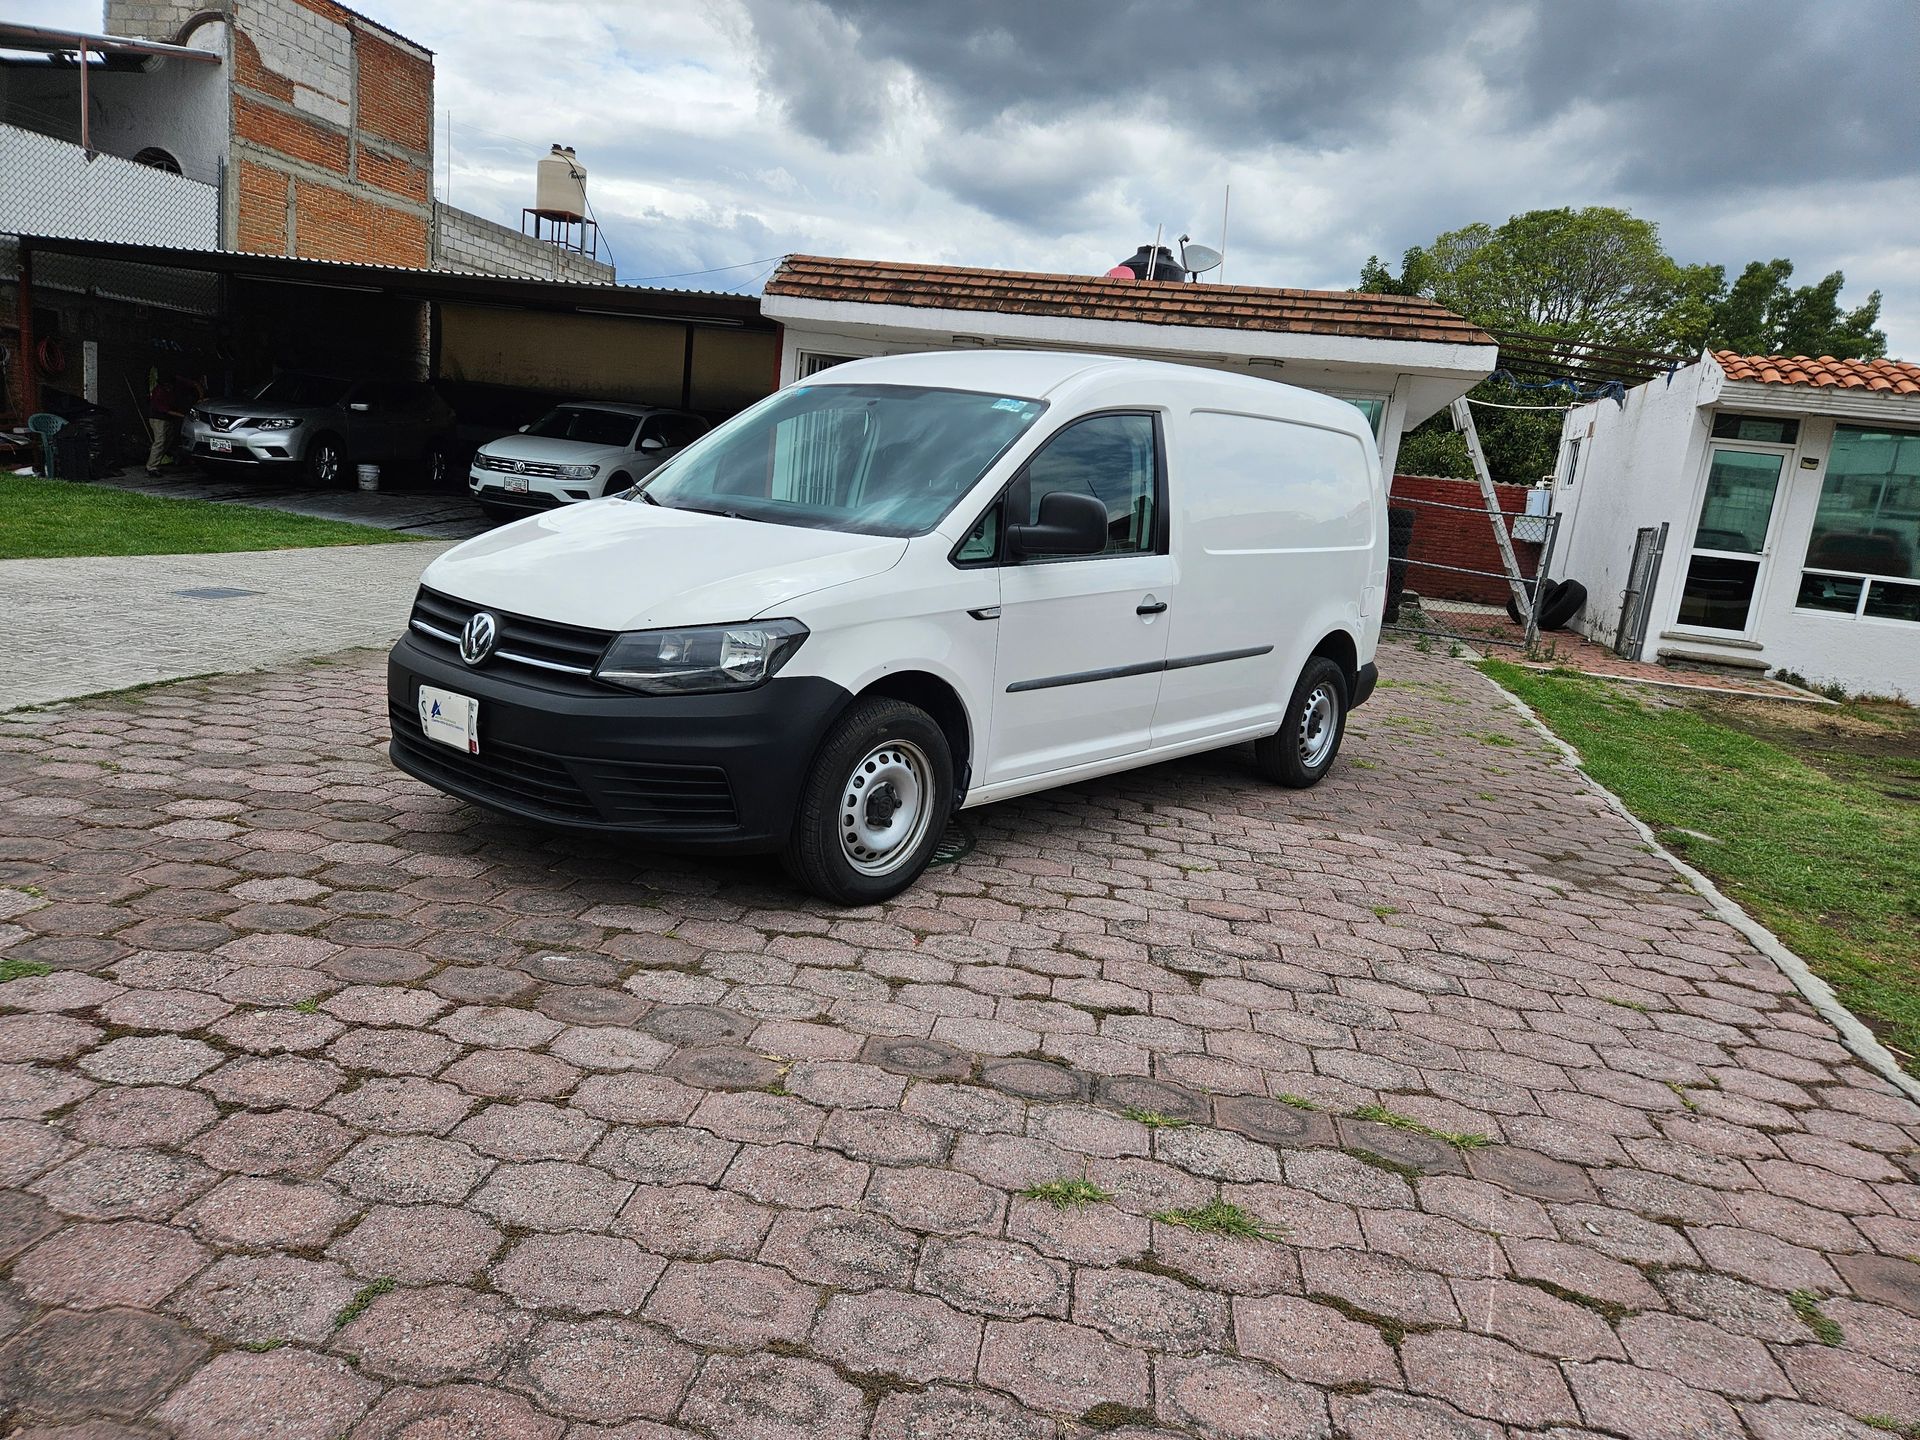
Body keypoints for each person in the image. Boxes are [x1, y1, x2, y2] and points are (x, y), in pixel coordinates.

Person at [147, 373, 187, 477]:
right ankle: (152, 467)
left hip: (168, 419)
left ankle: (156, 462)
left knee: (167, 440)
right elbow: (166, 410)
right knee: (160, 441)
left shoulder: (171, 389)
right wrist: (183, 415)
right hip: (158, 418)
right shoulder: (159, 392)